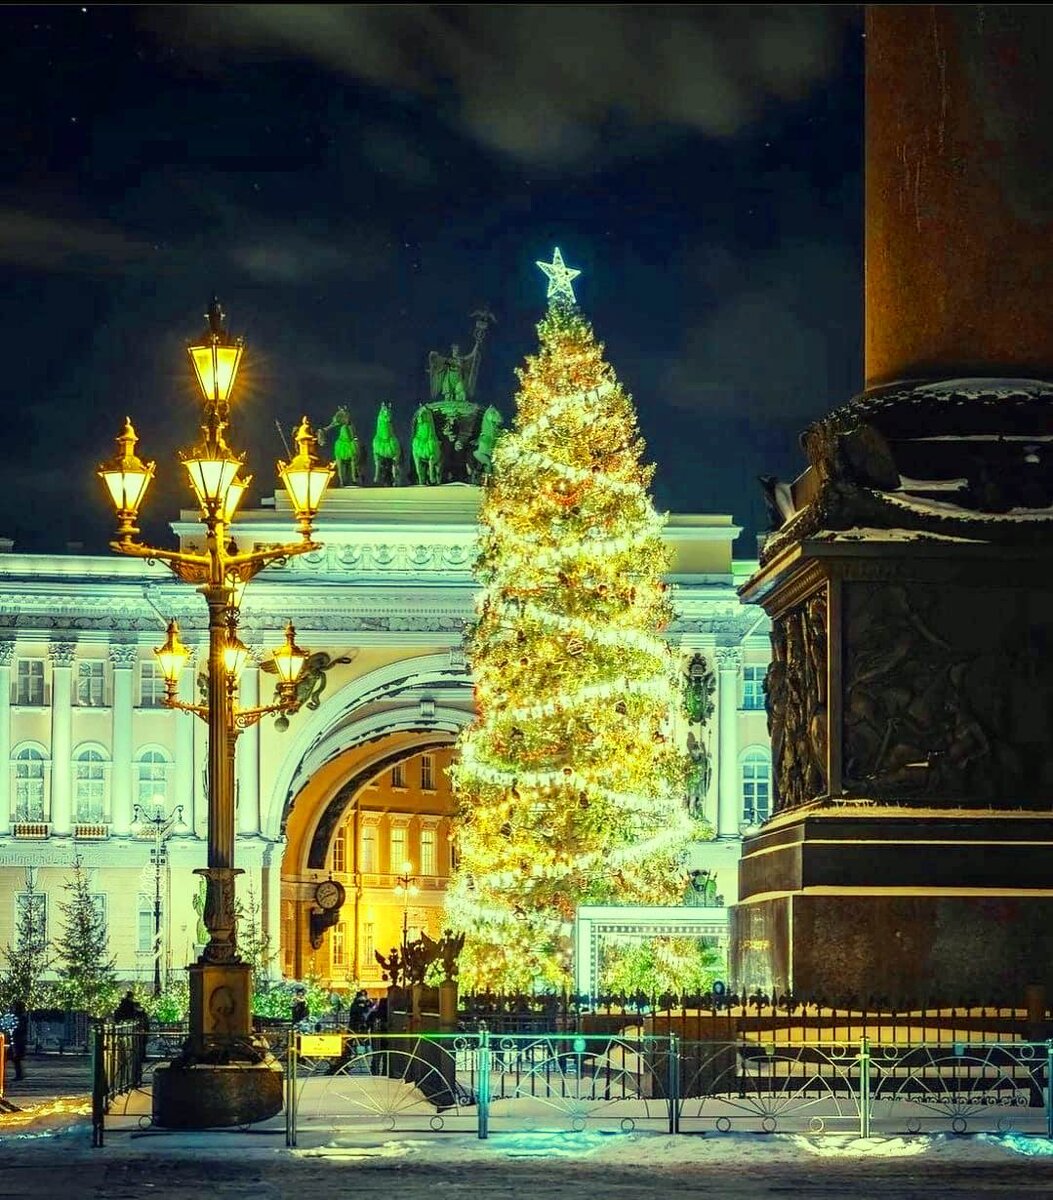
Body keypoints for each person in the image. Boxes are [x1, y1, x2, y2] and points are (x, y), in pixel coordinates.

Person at [9, 1000, 28, 1081]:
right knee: (15, 1058)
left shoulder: (20, 1018)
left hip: (18, 1041)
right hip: (17, 1041)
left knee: (15, 1058)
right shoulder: (20, 1017)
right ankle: (19, 1074)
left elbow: (21, 1029)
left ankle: (19, 1075)